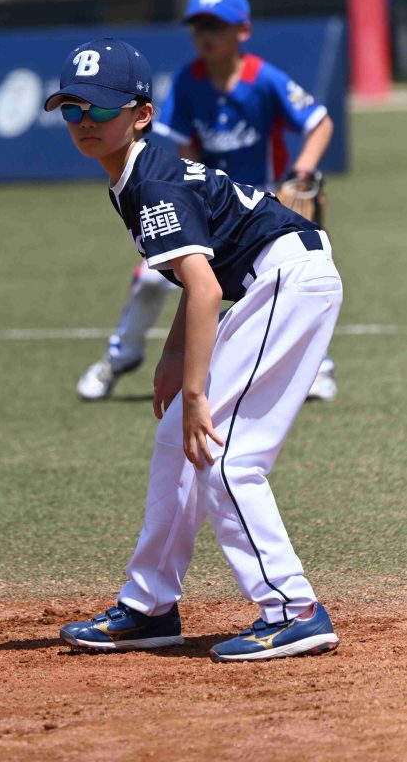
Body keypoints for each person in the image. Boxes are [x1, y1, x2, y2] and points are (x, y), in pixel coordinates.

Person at [44, 38, 342, 661]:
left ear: (142, 116)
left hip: (288, 280)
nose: (86, 121)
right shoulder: (138, 176)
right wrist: (174, 357)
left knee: (225, 456)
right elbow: (197, 274)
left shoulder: (152, 184)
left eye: (102, 108)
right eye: (73, 109)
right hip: (277, 279)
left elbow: (206, 288)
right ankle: (149, 606)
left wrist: (197, 389)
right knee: (174, 440)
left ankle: (293, 609)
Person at [77, 0, 337, 404]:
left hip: (257, 207)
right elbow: (186, 157)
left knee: (283, 283)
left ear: (243, 30)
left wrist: (301, 172)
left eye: (216, 25)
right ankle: (120, 357)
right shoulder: (188, 81)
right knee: (149, 281)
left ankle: (317, 367)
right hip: (204, 202)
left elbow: (320, 122)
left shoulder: (263, 78)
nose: (206, 34)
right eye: (198, 26)